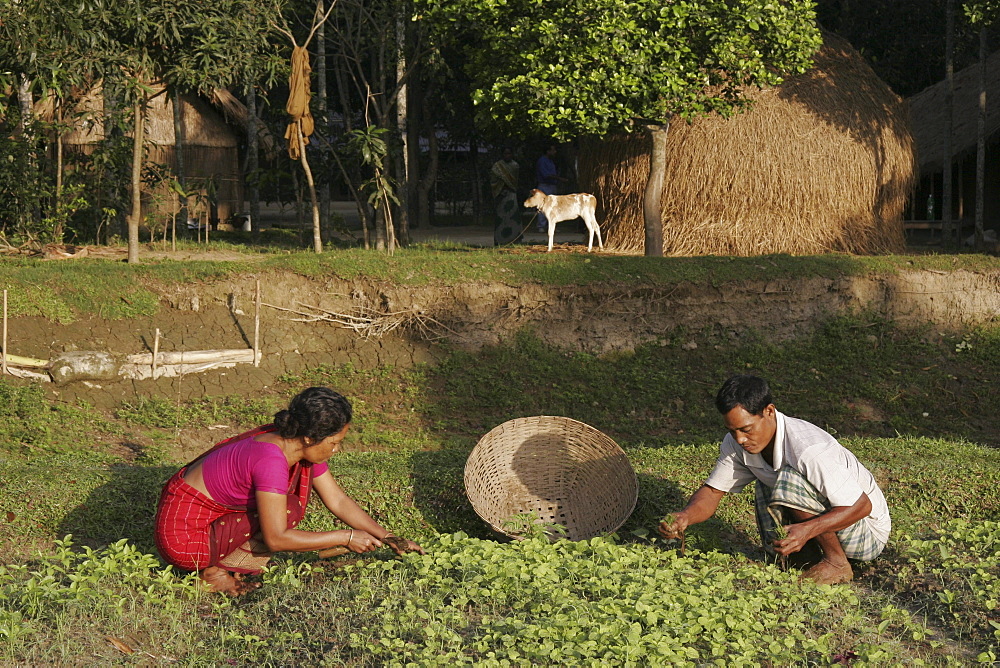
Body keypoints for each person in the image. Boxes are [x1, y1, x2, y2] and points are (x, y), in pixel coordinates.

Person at [154, 387, 423, 595]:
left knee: (287, 505)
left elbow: (338, 500)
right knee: (287, 510)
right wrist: (346, 536)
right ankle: (213, 574)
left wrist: (388, 536)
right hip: (185, 540)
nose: (337, 449)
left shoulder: (292, 444)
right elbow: (277, 539)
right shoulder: (272, 460)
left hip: (205, 520)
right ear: (309, 437)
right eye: (334, 442)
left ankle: (222, 564)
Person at [657, 375, 890, 585]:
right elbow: (713, 492)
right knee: (766, 480)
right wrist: (685, 516)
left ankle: (836, 563)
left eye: (746, 429)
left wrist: (807, 530)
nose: (739, 439)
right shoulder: (737, 444)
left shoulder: (808, 448)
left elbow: (862, 506)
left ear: (769, 411)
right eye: (732, 431)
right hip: (826, 526)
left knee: (787, 478)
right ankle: (799, 560)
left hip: (866, 534)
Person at [490, 147, 522, 246]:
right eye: (505, 154)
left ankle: (514, 240)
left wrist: (510, 188)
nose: (507, 156)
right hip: (500, 194)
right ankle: (499, 240)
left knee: (513, 217)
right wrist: (501, 188)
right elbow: (493, 180)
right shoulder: (497, 166)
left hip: (511, 194)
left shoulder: (515, 165)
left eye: (509, 154)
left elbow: (515, 181)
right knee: (501, 218)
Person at [534, 144, 567, 233]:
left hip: (552, 185)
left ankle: (551, 225)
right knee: (543, 206)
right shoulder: (542, 161)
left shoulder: (550, 161)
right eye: (553, 150)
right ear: (548, 151)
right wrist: (559, 178)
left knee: (553, 206)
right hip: (545, 185)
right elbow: (546, 175)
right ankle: (541, 225)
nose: (554, 152)